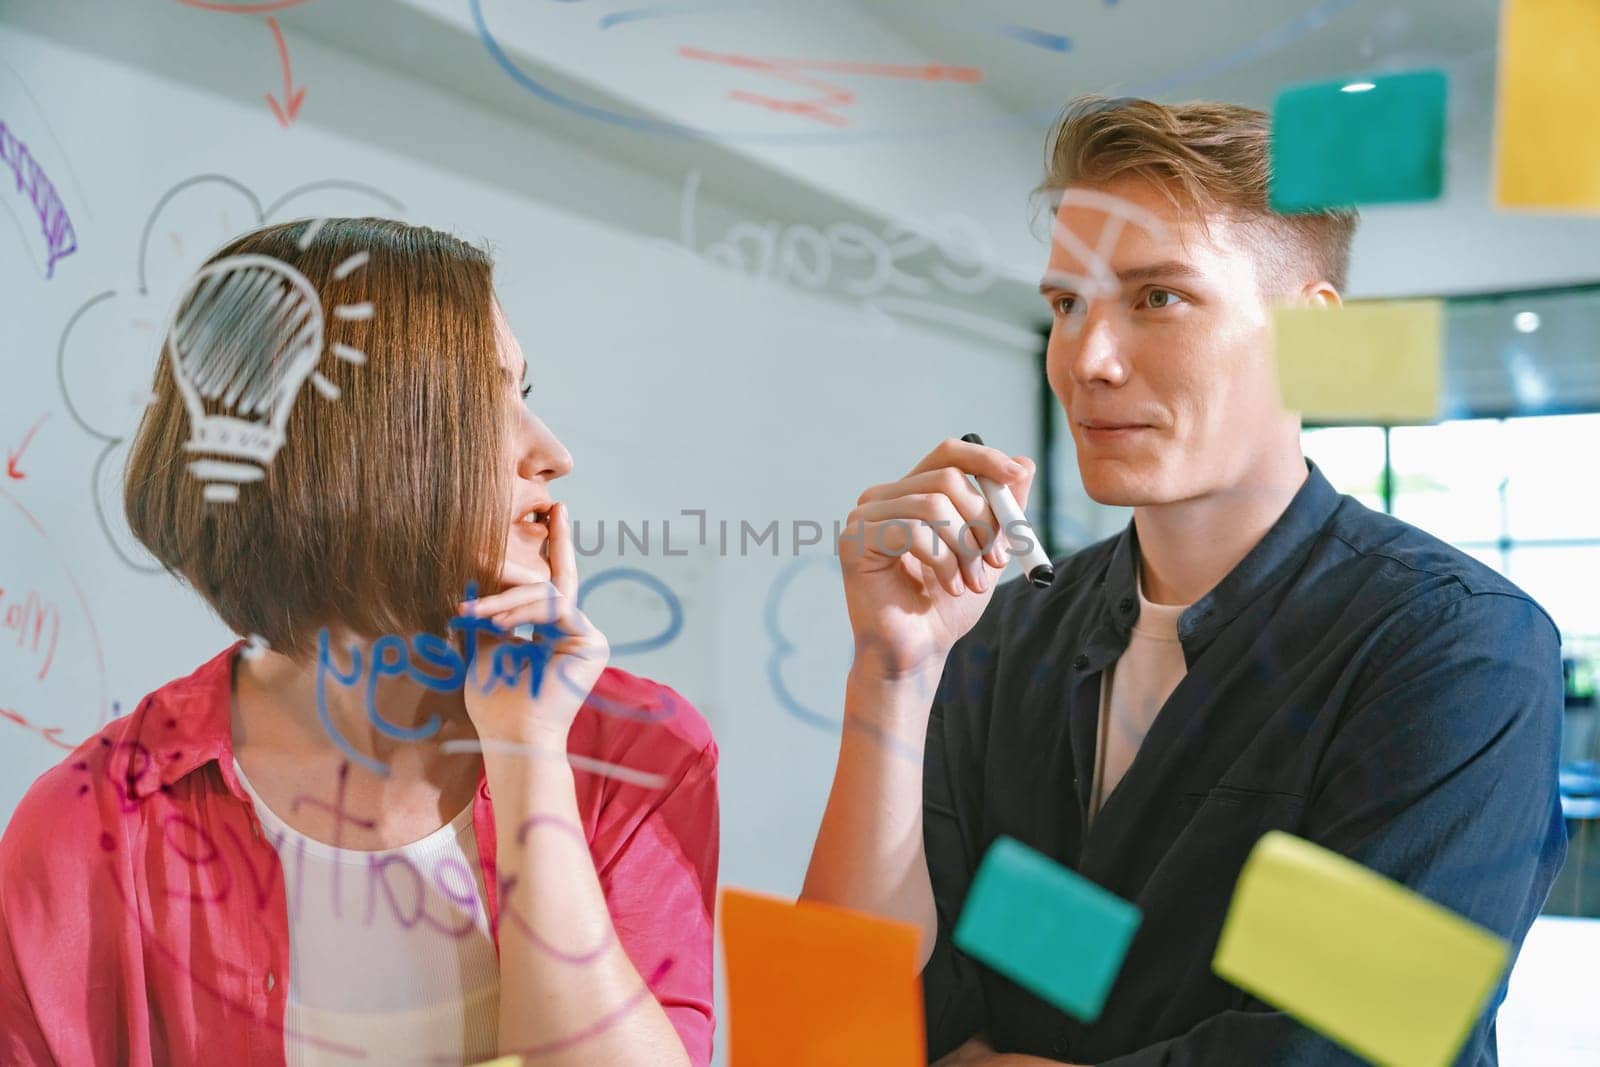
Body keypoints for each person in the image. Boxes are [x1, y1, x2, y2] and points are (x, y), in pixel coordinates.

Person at [803, 97, 1565, 1065]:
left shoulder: (1453, 649)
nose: (1087, 358)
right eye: (1065, 304)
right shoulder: (997, 638)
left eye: (1156, 297)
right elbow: (849, 1016)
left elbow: (1336, 1051)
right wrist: (891, 668)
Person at [0, 218, 719, 1066]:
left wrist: (528, 748)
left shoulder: (640, 752)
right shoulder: (90, 826)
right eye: (494, 403)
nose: (553, 453)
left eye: (527, 394)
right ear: (352, 447)